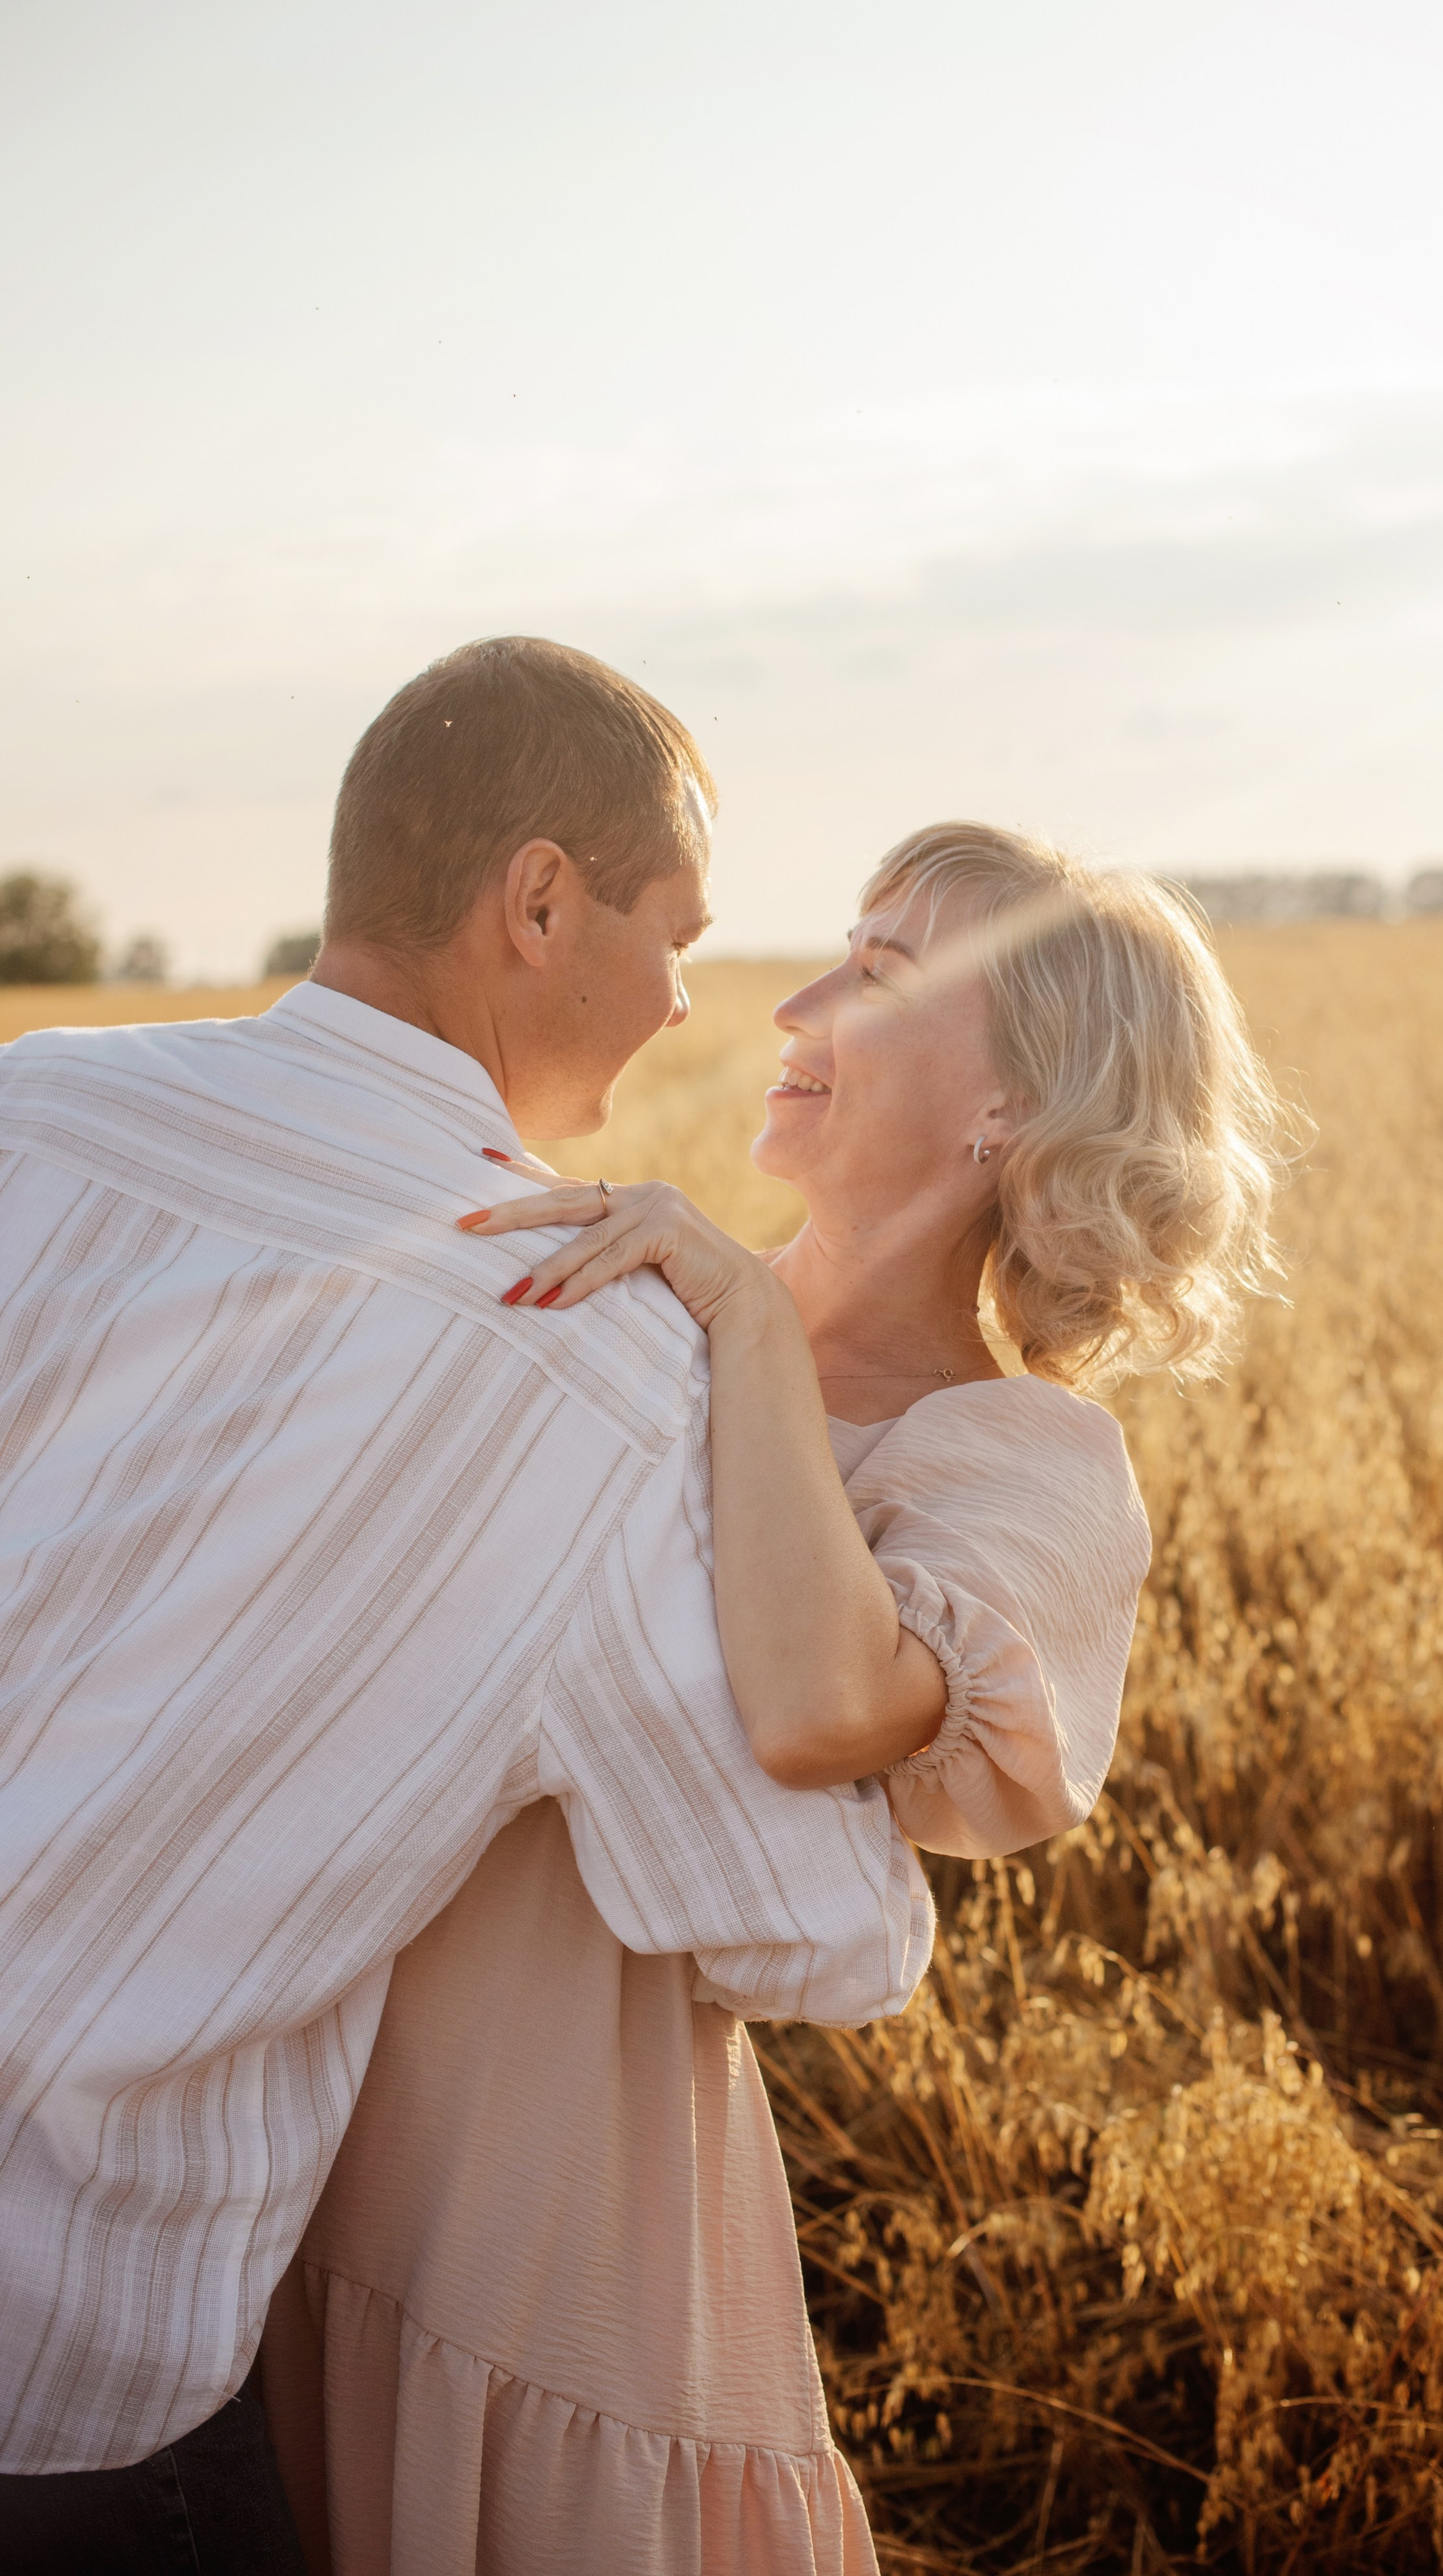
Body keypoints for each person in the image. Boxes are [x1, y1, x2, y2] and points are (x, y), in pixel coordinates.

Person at [0, 638, 936, 2573]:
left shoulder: (31, 1116)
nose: (694, 995)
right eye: (677, 930)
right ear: (538, 901)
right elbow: (817, 1934)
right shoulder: (587, 1357)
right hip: (70, 2367)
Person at [262, 822, 1287, 2573]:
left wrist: (740, 1312)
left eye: (877, 978)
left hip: (555, 2188)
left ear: (1013, 1108)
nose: (795, 1003)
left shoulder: (1020, 1464)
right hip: (284, 2102)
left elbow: (824, 1707)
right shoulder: (609, 1302)